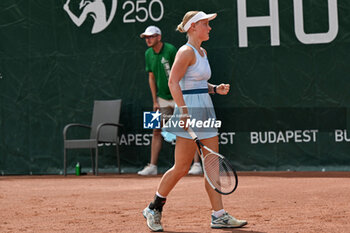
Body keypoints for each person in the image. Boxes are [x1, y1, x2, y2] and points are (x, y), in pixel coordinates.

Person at [142, 11, 247, 231]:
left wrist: (215, 88)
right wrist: (185, 113)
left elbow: (197, 83)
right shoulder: (185, 52)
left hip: (206, 111)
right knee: (181, 167)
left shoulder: (202, 51)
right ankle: (154, 207)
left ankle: (218, 215)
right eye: (205, 24)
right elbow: (173, 83)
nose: (209, 28)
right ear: (192, 27)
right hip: (190, 111)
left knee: (212, 166)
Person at [138, 26, 203, 175]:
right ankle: (152, 166)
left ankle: (197, 165)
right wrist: (155, 101)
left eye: (151, 36)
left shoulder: (171, 50)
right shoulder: (148, 53)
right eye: (146, 37)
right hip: (161, 99)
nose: (148, 39)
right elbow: (151, 77)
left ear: (159, 37)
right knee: (156, 129)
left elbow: (183, 71)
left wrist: (181, 96)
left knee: (189, 128)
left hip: (179, 96)